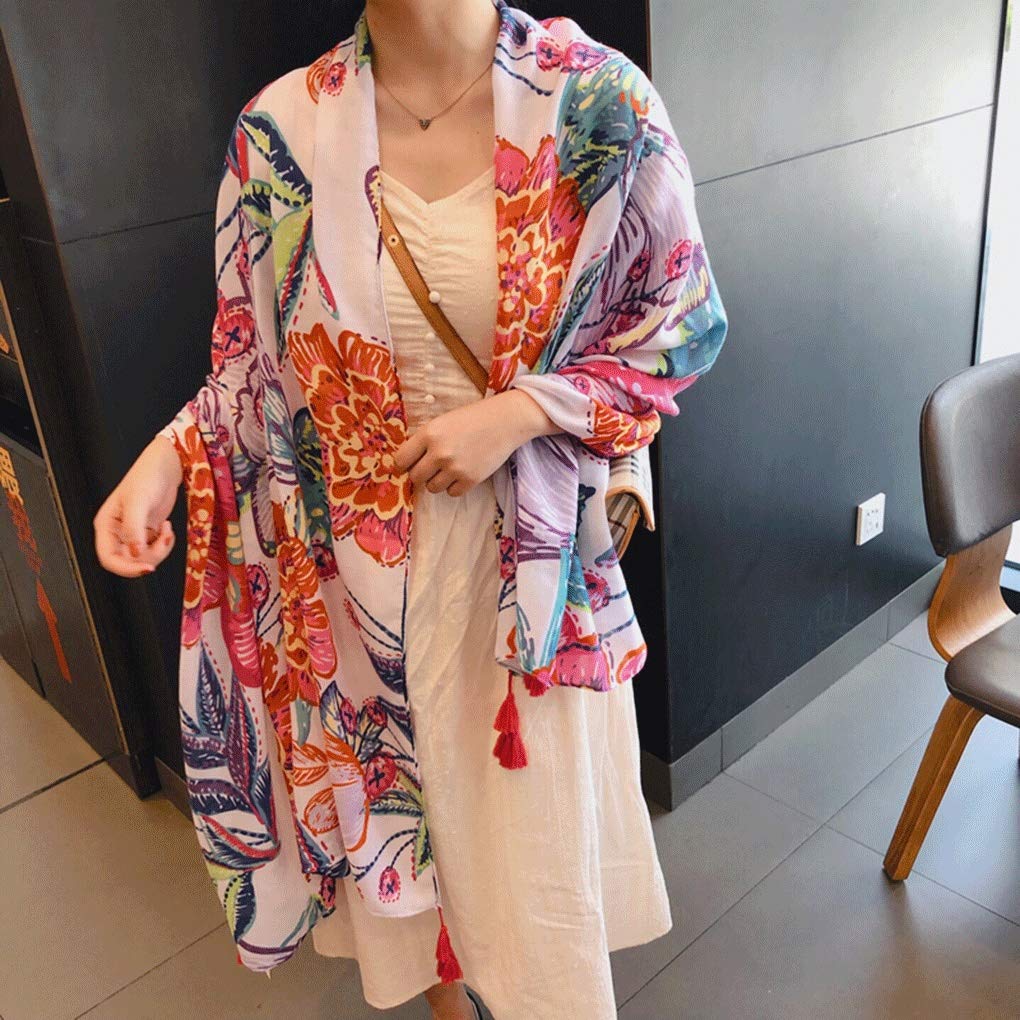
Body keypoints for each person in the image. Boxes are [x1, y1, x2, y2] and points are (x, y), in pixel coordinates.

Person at [94, 1, 727, 1017]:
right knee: (409, 860)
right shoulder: (284, 129)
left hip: (520, 582)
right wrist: (165, 460)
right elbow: (251, 367)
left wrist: (519, 413)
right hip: (351, 589)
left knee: (532, 890)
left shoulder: (594, 101)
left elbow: (678, 328)